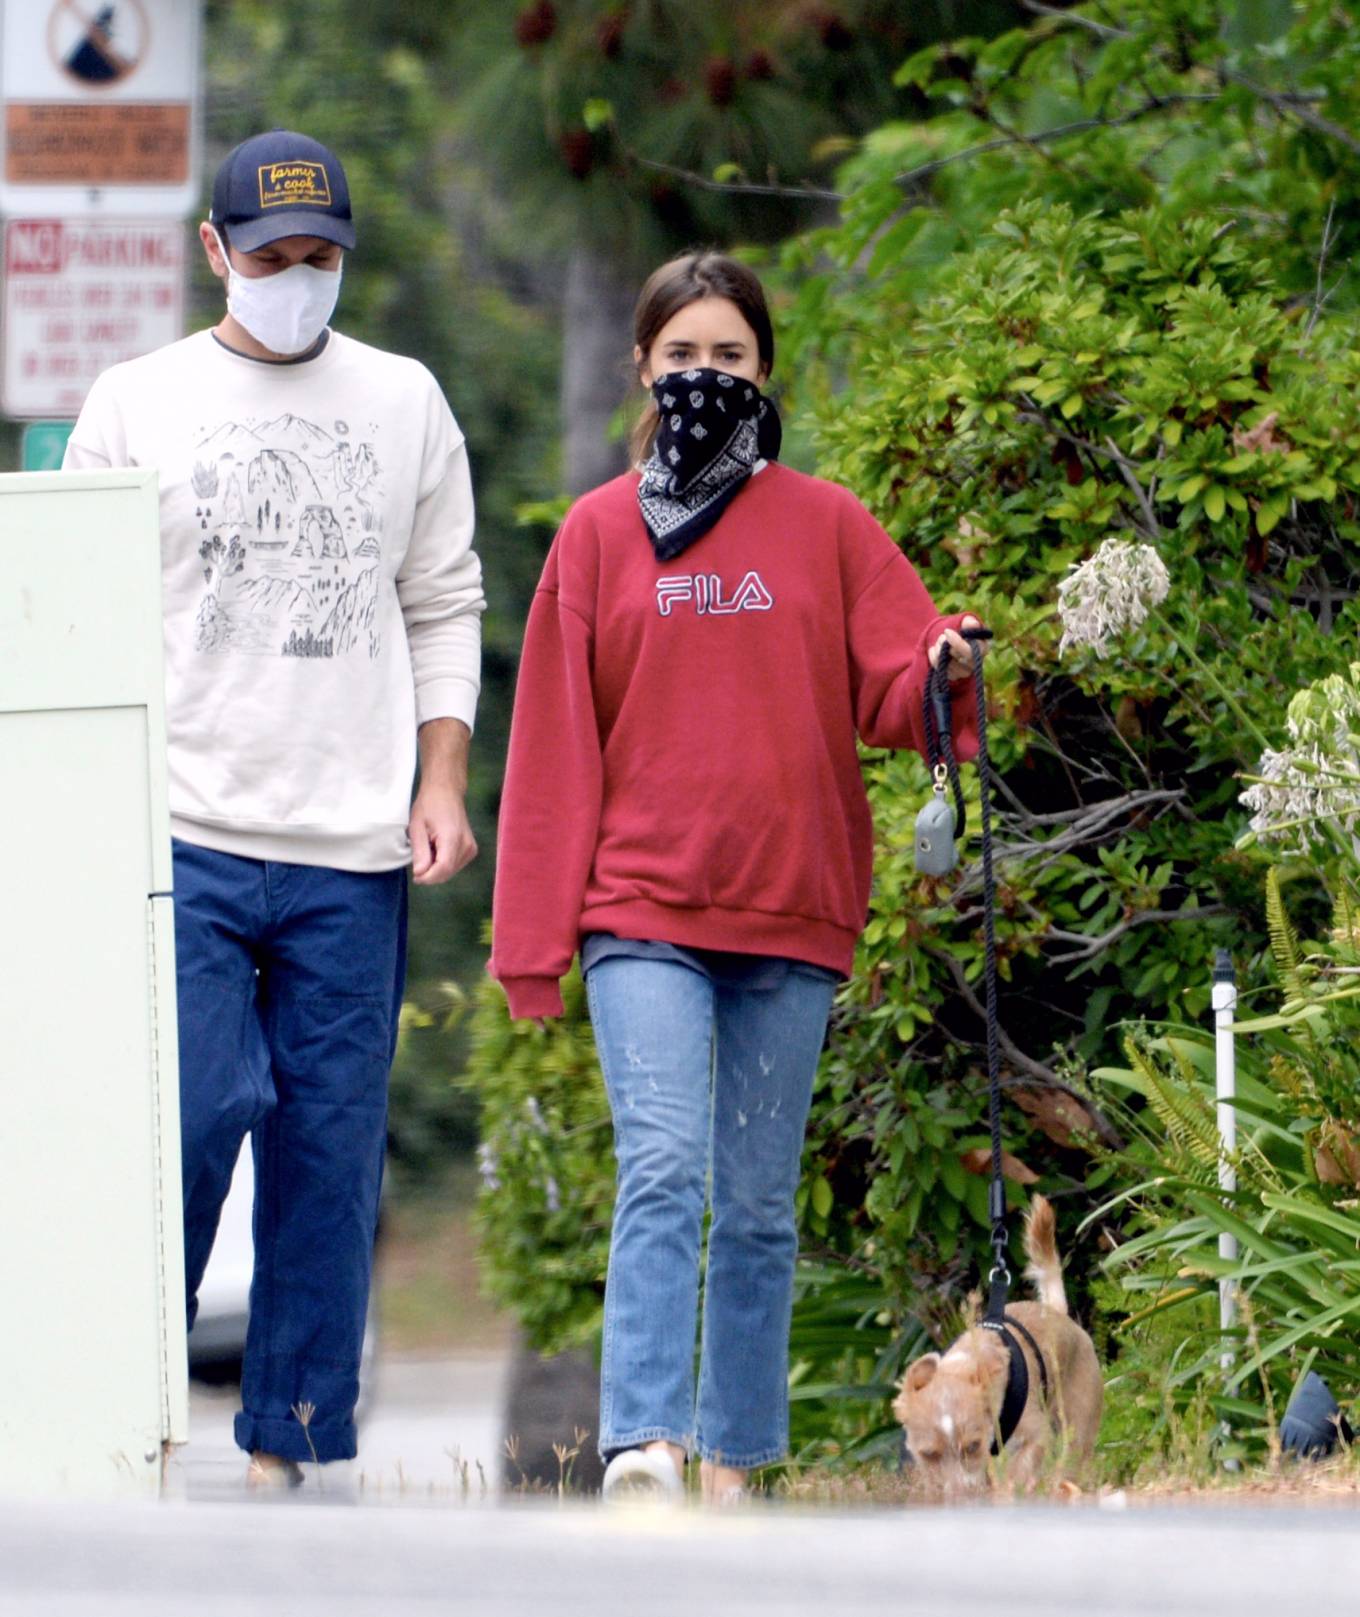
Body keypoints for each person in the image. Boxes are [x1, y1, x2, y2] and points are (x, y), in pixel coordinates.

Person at [490, 251, 986, 1503]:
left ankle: (732, 1467)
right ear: (643, 371)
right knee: (663, 1167)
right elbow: (553, 747)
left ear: (764, 372)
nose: (704, 377)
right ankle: (642, 1444)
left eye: (730, 358)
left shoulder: (827, 525)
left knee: (760, 1210)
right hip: (640, 913)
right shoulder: (600, 536)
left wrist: (943, 665)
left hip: (792, 911)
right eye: (681, 357)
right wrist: (532, 944)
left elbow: (891, 688)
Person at [64, 130, 484, 1485]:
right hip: (180, 831)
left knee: (328, 1151)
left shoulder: (406, 400)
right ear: (215, 253)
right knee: (180, 1120)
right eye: (270, 258)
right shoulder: (135, 403)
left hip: (349, 846)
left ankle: (289, 1449)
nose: (297, 281)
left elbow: (444, 600)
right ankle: (133, 1407)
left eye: (320, 260)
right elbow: (78, 617)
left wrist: (440, 782)